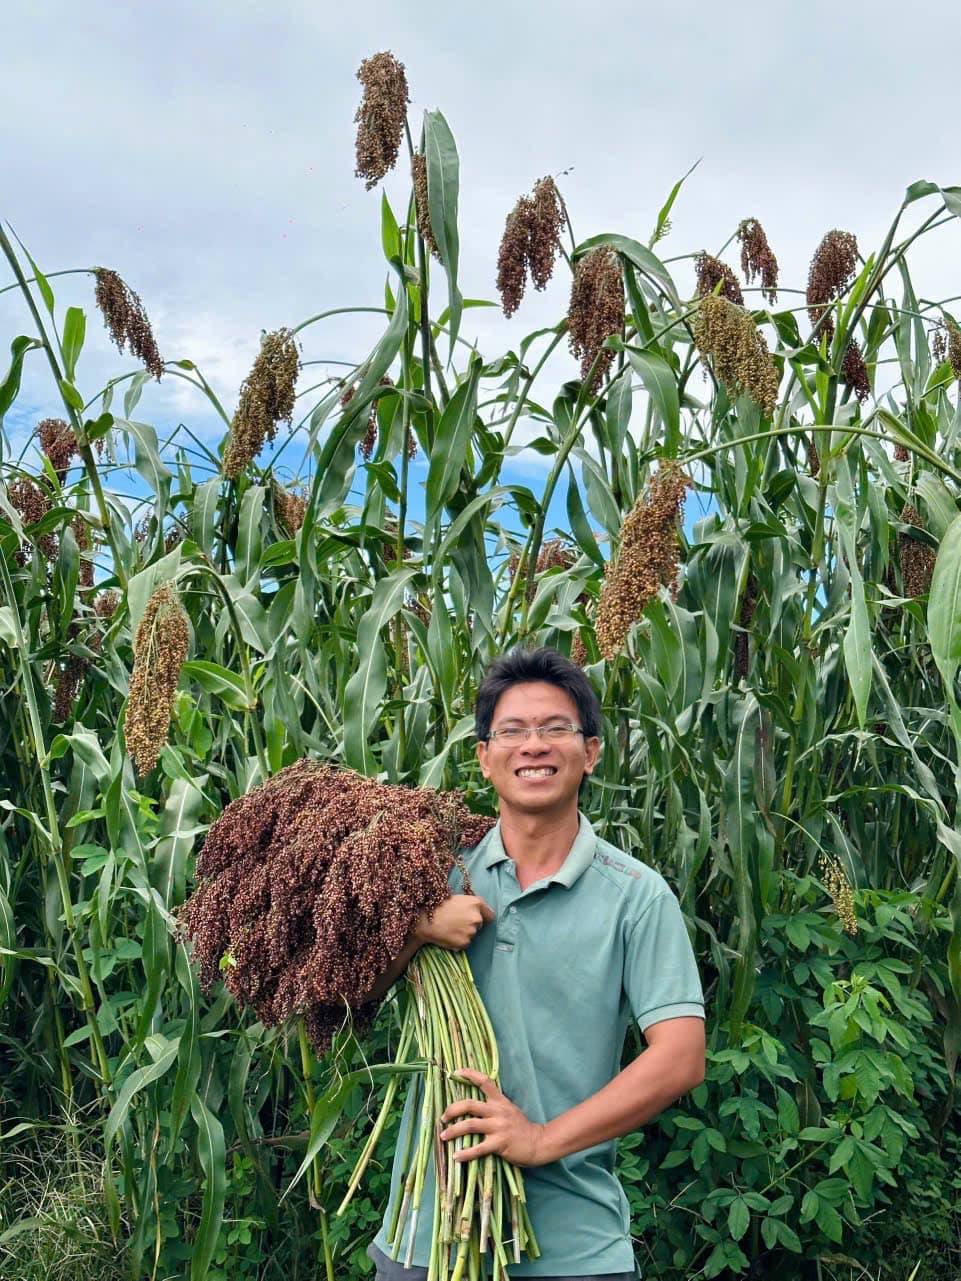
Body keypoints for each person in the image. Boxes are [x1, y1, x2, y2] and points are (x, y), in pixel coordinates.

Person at [366, 646, 705, 1280]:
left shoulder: (635, 895)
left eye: (556, 729)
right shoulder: (428, 870)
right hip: (424, 1238)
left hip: (572, 1251)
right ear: (485, 756)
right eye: (514, 731)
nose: (534, 746)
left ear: (592, 752)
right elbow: (341, 996)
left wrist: (540, 1141)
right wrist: (417, 926)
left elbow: (680, 1058)